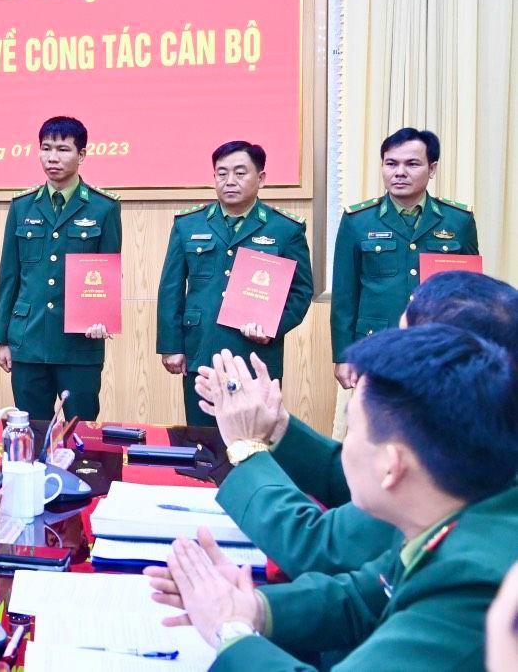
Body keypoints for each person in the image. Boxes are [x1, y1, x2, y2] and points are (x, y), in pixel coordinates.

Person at [145, 324, 518, 671]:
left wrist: (229, 630)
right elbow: (362, 600)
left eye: (351, 430)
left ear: (391, 466)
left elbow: (327, 554)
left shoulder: (469, 587)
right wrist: (251, 607)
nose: (343, 447)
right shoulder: (464, 515)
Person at [201, 271, 518, 577]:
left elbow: (321, 547)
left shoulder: (463, 461)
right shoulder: (485, 425)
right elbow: (354, 481)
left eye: (406, 344)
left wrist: (247, 448)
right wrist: (278, 427)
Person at [156, 140, 313, 426]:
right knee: (202, 438)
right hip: (202, 348)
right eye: (222, 173)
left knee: (255, 437)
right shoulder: (188, 225)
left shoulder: (285, 229)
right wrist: (171, 345)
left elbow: (301, 291)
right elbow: (171, 289)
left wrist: (272, 327)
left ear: (261, 179)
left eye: (240, 173)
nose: (229, 181)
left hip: (256, 354)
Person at [0, 116, 122, 421]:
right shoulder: (22, 206)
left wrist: (102, 318)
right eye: (46, 148)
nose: (53, 157)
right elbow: (9, 276)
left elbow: (108, 272)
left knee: (81, 431)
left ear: (81, 155)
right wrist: (1, 339)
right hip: (28, 340)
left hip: (79, 344)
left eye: (63, 149)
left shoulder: (104, 207)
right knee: (31, 430)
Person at [331, 127, 479, 387]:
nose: (399, 172)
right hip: (376, 345)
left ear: (432, 169)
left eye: (412, 164)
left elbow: (469, 292)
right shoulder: (358, 221)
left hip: (439, 347)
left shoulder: (458, 220)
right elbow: (345, 294)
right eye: (391, 163)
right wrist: (343, 355)